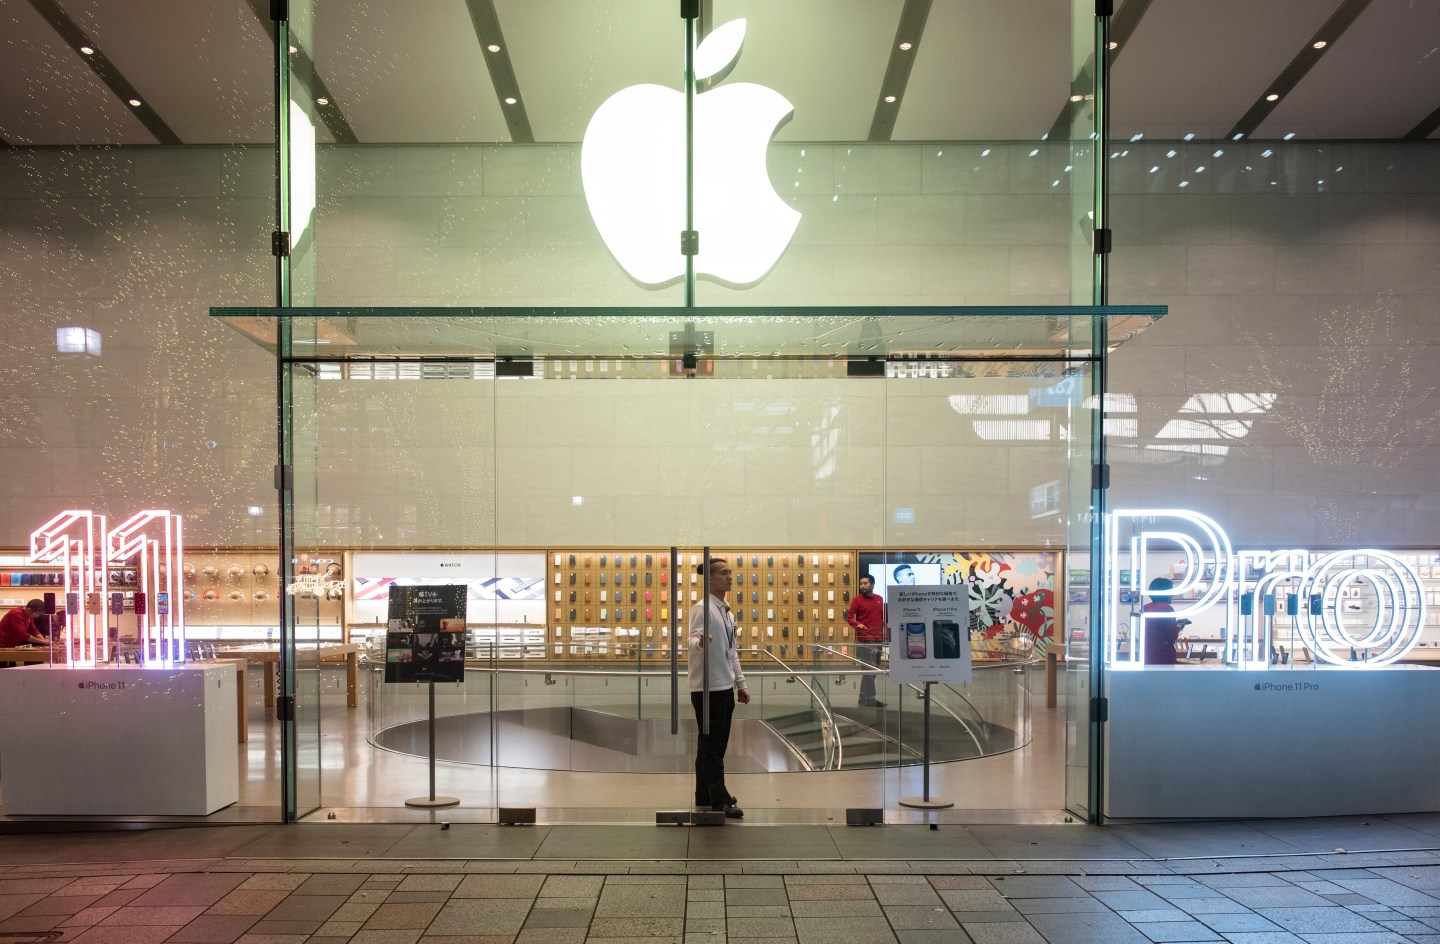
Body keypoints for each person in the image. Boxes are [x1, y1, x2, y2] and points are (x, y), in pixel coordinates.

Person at [688, 557, 749, 819]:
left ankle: (704, 793)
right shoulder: (702, 608)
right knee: (713, 744)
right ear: (710, 579)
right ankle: (719, 799)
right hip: (707, 688)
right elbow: (691, 640)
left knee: (710, 743)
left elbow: (730, 651)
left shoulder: (725, 610)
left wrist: (741, 684)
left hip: (724, 686)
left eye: (730, 572)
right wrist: (700, 643)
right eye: (723, 573)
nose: (729, 576)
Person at [846, 574, 887, 707]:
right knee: (869, 671)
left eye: (865, 583)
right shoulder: (857, 600)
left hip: (878, 639)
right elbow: (850, 619)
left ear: (872, 584)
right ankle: (870, 699)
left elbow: (882, 619)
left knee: (873, 670)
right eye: (861, 584)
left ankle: (863, 698)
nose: (862, 586)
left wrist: (885, 633)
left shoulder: (880, 599)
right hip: (865, 640)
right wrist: (858, 624)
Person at [1142, 577, 1182, 665]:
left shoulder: (1145, 608)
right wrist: (1179, 627)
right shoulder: (1167, 609)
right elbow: (1172, 635)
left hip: (1147, 655)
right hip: (1163, 656)